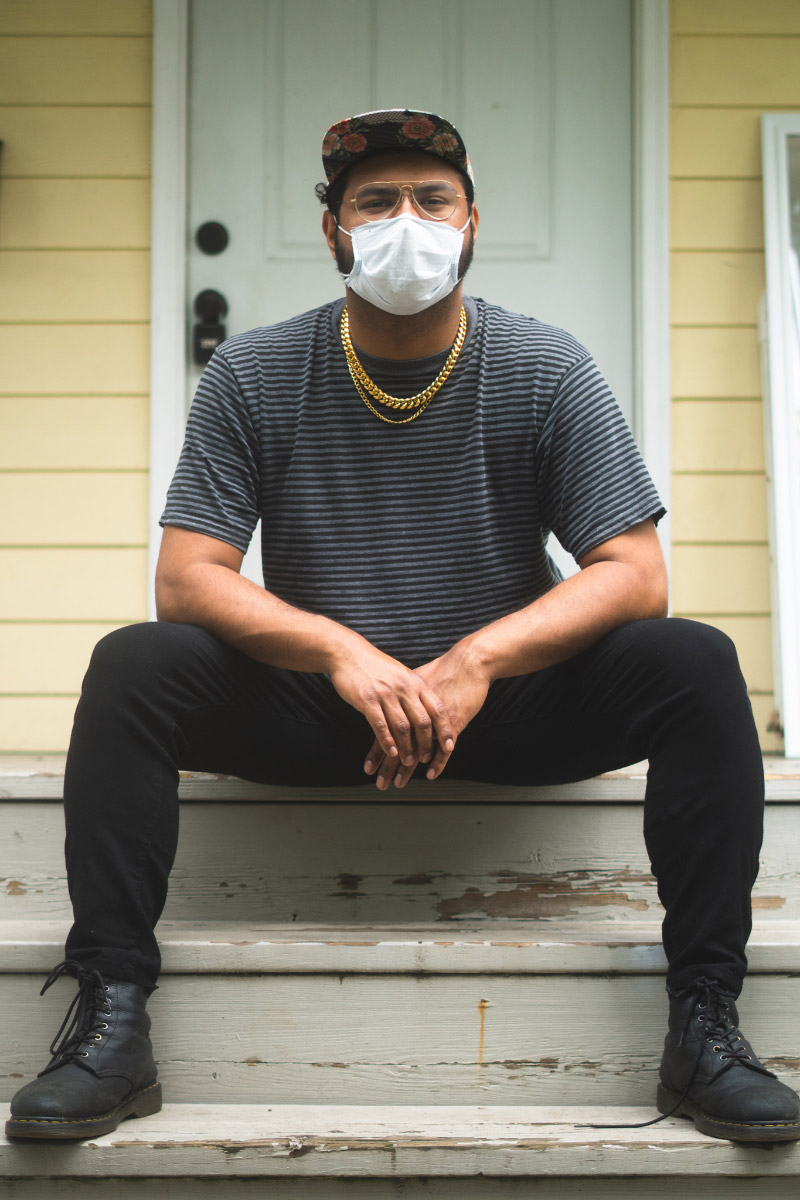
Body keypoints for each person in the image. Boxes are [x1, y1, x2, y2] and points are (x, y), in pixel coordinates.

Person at [6, 108, 799, 1144]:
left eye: (432, 198)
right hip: (323, 711)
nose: (406, 222)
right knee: (135, 664)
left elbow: (634, 572)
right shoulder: (253, 372)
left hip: (504, 709)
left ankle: (705, 1023)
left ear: (471, 222)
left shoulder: (544, 365)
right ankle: (110, 1021)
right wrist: (340, 652)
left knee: (691, 657)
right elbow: (188, 579)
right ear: (334, 230)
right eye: (375, 202)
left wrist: (478, 659)